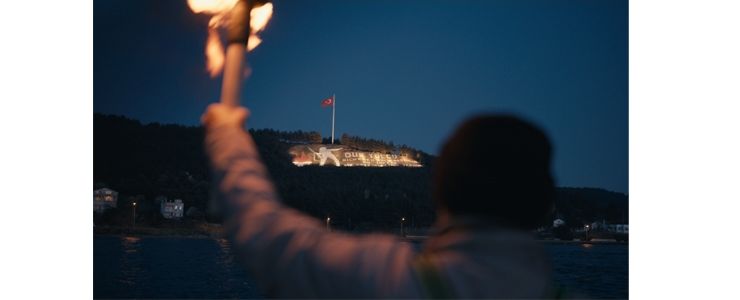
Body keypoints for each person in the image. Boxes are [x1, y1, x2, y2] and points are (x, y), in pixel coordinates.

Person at [202, 103, 557, 298]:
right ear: (543, 204)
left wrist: (227, 138)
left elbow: (266, 234)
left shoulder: (385, 279)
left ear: (441, 190)